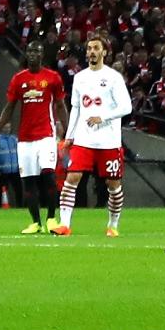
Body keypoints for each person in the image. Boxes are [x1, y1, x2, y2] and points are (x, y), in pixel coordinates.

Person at [52, 34, 134, 238]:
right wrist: (70, 136)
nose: (92, 52)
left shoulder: (114, 77)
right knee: (72, 177)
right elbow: (76, 109)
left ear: (104, 52)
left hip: (109, 141)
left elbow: (126, 107)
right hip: (84, 139)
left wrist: (103, 117)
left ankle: (113, 225)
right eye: (89, 48)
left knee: (112, 185)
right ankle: (65, 225)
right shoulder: (80, 78)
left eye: (96, 48)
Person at [0, 39, 67, 233]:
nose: (33, 55)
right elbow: (10, 107)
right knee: (28, 181)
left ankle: (52, 219)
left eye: (37, 51)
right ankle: (36, 223)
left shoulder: (53, 78)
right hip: (25, 138)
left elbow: (61, 105)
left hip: (46, 134)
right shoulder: (18, 79)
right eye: (30, 51)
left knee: (48, 175)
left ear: (42, 54)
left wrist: (68, 130)